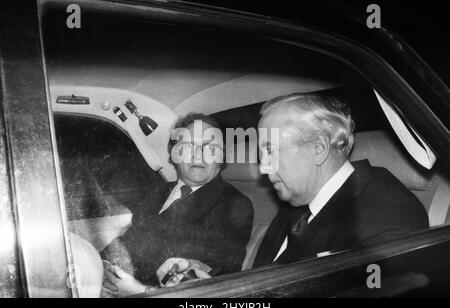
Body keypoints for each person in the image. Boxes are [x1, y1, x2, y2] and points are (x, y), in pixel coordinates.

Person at [252, 93, 428, 266]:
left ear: (318, 149)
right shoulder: (293, 203)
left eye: (270, 150)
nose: (263, 167)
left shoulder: (390, 213)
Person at [101, 113, 254, 296]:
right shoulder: (156, 192)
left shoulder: (235, 204)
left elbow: (220, 268)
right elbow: (127, 242)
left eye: (210, 148)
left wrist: (136, 290)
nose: (199, 155)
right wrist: (103, 265)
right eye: (189, 146)